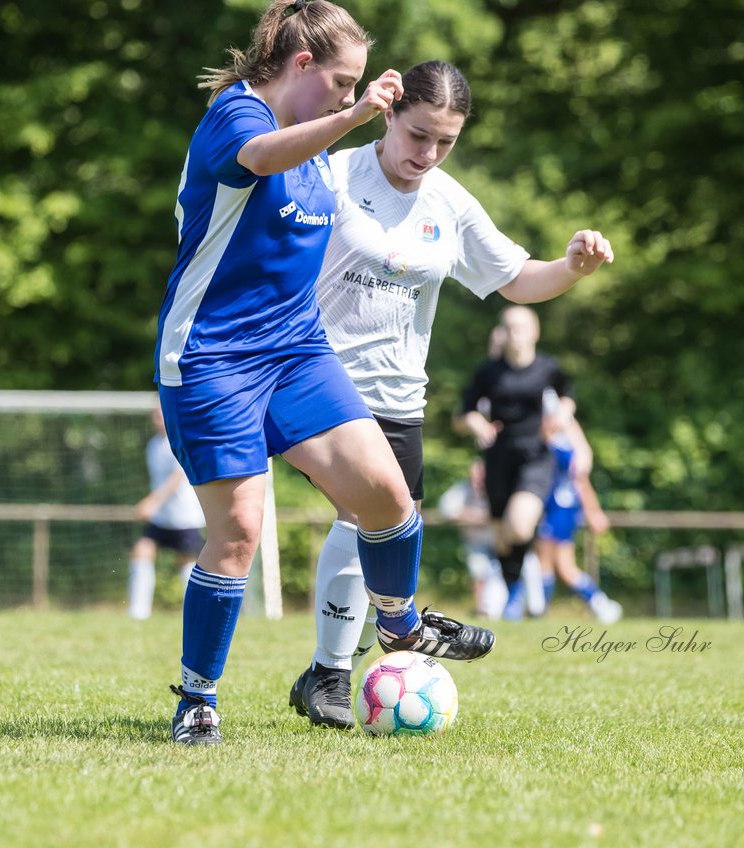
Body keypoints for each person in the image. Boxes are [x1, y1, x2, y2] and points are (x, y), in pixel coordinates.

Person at [155, 2, 495, 746]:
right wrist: (355, 118)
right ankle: (198, 699)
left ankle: (400, 622)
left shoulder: (319, 144)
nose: (351, 98)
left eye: (359, 87)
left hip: (296, 351)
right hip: (211, 356)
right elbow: (259, 158)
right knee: (240, 531)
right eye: (342, 84)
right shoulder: (236, 116)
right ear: (301, 66)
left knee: (389, 497)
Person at [286, 59, 615, 730]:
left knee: (382, 522)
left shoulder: (449, 201)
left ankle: (357, 651)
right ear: (387, 115)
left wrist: (571, 267)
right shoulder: (334, 172)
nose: (427, 155)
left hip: (401, 396)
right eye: (417, 136)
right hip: (318, 376)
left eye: (445, 142)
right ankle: (341, 665)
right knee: (368, 517)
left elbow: (517, 278)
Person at [458, 305, 597, 622]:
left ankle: (513, 585)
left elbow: (567, 396)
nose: (515, 333)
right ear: (501, 333)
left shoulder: (548, 368)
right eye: (509, 327)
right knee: (502, 537)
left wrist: (563, 415)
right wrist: (477, 424)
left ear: (535, 332)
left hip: (536, 456)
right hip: (498, 459)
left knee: (519, 527)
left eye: (521, 327)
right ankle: (513, 589)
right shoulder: (488, 371)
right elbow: (467, 410)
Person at [532, 410, 622, 624]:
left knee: (552, 564)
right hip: (562, 508)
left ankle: (543, 611)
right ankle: (600, 604)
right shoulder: (564, 445)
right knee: (562, 566)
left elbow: (581, 480)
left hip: (557, 508)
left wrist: (593, 511)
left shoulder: (560, 446)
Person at [127, 406, 205, 620]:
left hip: (184, 517)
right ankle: (138, 612)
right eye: (155, 414)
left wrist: (152, 502)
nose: (158, 418)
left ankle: (196, 613)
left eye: (162, 413)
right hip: (162, 517)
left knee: (186, 562)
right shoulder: (153, 445)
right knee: (142, 550)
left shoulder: (179, 440)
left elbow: (176, 478)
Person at [437, 458, 506, 619]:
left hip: (500, 540)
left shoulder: (498, 486)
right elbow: (446, 509)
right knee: (478, 571)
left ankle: (505, 610)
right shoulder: (463, 489)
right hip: (475, 541)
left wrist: (485, 517)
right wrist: (473, 515)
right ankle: (482, 609)